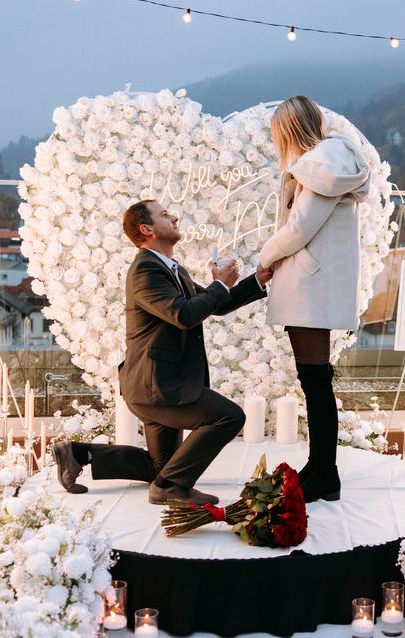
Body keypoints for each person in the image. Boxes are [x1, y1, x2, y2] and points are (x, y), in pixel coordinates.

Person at [51, 199, 271, 505]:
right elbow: (183, 314)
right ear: (147, 229)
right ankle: (170, 488)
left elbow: (212, 304)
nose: (175, 216)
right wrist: (218, 285)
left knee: (162, 467)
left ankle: (77, 454)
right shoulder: (145, 271)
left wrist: (258, 279)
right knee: (229, 417)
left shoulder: (171, 269)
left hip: (157, 384)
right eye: (165, 215)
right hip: (158, 387)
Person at [257, 95, 371, 503]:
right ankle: (321, 467)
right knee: (317, 382)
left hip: (309, 286)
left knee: (316, 384)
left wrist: (264, 259)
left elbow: (298, 228)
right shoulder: (329, 164)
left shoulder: (318, 169)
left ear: (287, 131)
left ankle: (325, 473)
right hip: (315, 284)